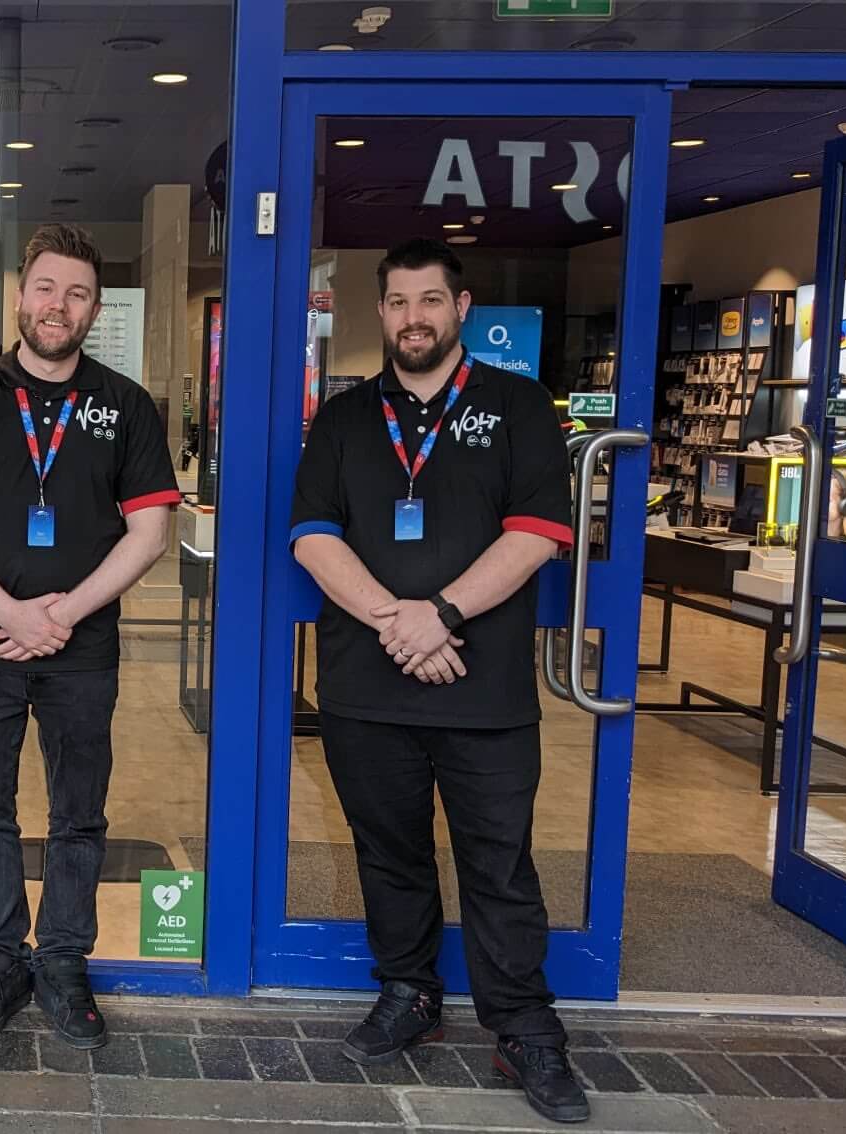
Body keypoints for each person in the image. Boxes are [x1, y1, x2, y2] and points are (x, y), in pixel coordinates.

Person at [288, 237, 585, 1124]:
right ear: (379, 314)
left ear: (461, 309)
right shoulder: (341, 420)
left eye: (430, 301)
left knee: (499, 864)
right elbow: (311, 535)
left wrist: (441, 614)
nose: (413, 317)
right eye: (398, 303)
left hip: (483, 691)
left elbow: (536, 532)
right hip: (367, 687)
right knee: (389, 852)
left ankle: (525, 1027)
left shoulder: (522, 407)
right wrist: (397, 620)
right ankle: (409, 991)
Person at [0, 223, 179, 1051]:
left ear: (96, 308)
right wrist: (12, 613)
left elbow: (150, 532)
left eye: (80, 294)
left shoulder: (125, 405)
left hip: (81, 648)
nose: (61, 306)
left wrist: (61, 614)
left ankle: (61, 960)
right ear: (21, 295)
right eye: (49, 288)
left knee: (78, 811)